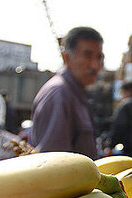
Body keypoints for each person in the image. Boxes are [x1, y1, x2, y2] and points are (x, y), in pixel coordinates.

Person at [30, 26, 104, 159]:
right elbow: (53, 164)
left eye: (99, 57)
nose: (95, 65)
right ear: (66, 58)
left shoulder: (76, 93)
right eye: (87, 56)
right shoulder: (59, 94)